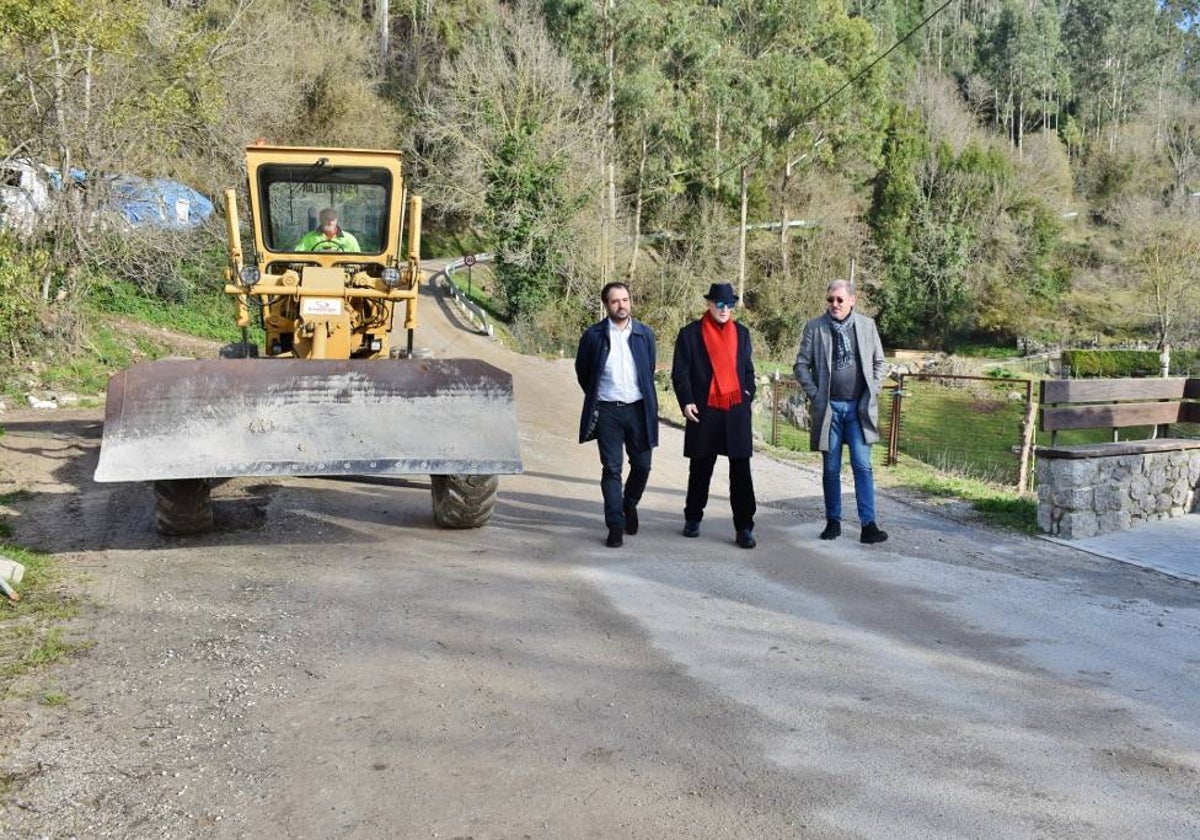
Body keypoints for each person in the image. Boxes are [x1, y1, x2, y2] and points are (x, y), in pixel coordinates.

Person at [793, 279, 889, 544]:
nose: (834, 304)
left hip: (859, 409)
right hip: (830, 410)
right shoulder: (815, 328)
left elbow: (880, 363)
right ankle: (832, 522)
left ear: (852, 301)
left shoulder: (867, 327)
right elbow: (800, 365)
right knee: (831, 468)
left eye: (839, 300)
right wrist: (815, 395)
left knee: (862, 465)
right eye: (830, 300)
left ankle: (868, 526)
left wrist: (873, 389)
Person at [671, 282, 757, 549]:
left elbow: (748, 370)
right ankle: (693, 517)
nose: (724, 309)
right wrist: (686, 402)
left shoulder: (742, 334)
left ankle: (744, 527)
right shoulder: (690, 334)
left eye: (729, 304)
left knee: (741, 472)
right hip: (704, 410)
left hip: (735, 411)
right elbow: (681, 373)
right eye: (719, 304)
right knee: (700, 468)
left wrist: (747, 393)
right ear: (709, 304)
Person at [575, 282, 659, 548]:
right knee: (612, 469)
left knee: (643, 465)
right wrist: (599, 397)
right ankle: (615, 525)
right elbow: (584, 372)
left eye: (625, 300)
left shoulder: (645, 335)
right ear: (606, 305)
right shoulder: (593, 336)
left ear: (631, 302)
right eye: (615, 301)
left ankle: (629, 504)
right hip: (608, 410)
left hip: (638, 408)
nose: (621, 305)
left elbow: (650, 368)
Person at [294, 207, 361, 252]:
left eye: (332, 219)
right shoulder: (308, 238)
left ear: (336, 221)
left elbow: (359, 261)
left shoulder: (349, 240)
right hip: (314, 271)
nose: (330, 222)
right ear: (320, 220)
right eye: (326, 219)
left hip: (343, 273)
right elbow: (296, 258)